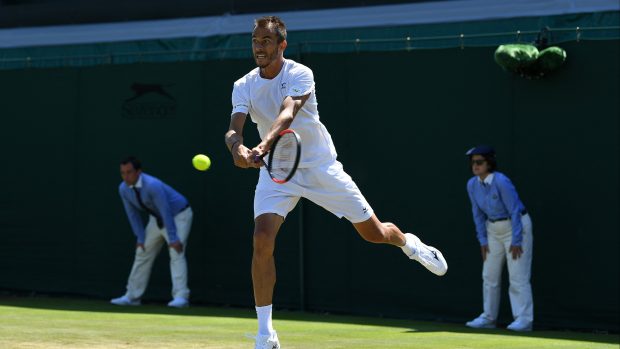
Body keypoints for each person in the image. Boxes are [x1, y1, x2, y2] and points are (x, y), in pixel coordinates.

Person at [224, 16, 448, 349]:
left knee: (375, 234)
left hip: (320, 167)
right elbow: (233, 129)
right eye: (255, 40)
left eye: (267, 41)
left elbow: (287, 113)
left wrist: (264, 144)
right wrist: (237, 149)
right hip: (277, 173)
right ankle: (265, 335)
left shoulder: (300, 74)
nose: (259, 46)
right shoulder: (243, 84)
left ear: (282, 45)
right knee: (261, 238)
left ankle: (410, 245)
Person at [464, 145, 534, 332]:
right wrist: (483, 240)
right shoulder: (472, 185)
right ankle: (488, 317)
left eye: (479, 162)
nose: (475, 166)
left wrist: (517, 240)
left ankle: (524, 320)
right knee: (489, 275)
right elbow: (477, 213)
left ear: (489, 163)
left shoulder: (502, 182)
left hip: (516, 227)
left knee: (518, 276)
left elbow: (514, 211)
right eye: (473, 163)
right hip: (492, 231)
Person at [111, 156, 193, 308]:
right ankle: (132, 296)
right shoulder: (123, 189)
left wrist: (173, 238)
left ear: (138, 172)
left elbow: (166, 210)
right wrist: (140, 238)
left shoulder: (152, 185)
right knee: (142, 252)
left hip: (179, 215)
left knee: (176, 252)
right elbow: (132, 215)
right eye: (123, 173)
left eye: (129, 172)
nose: (126, 176)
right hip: (157, 219)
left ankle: (181, 297)